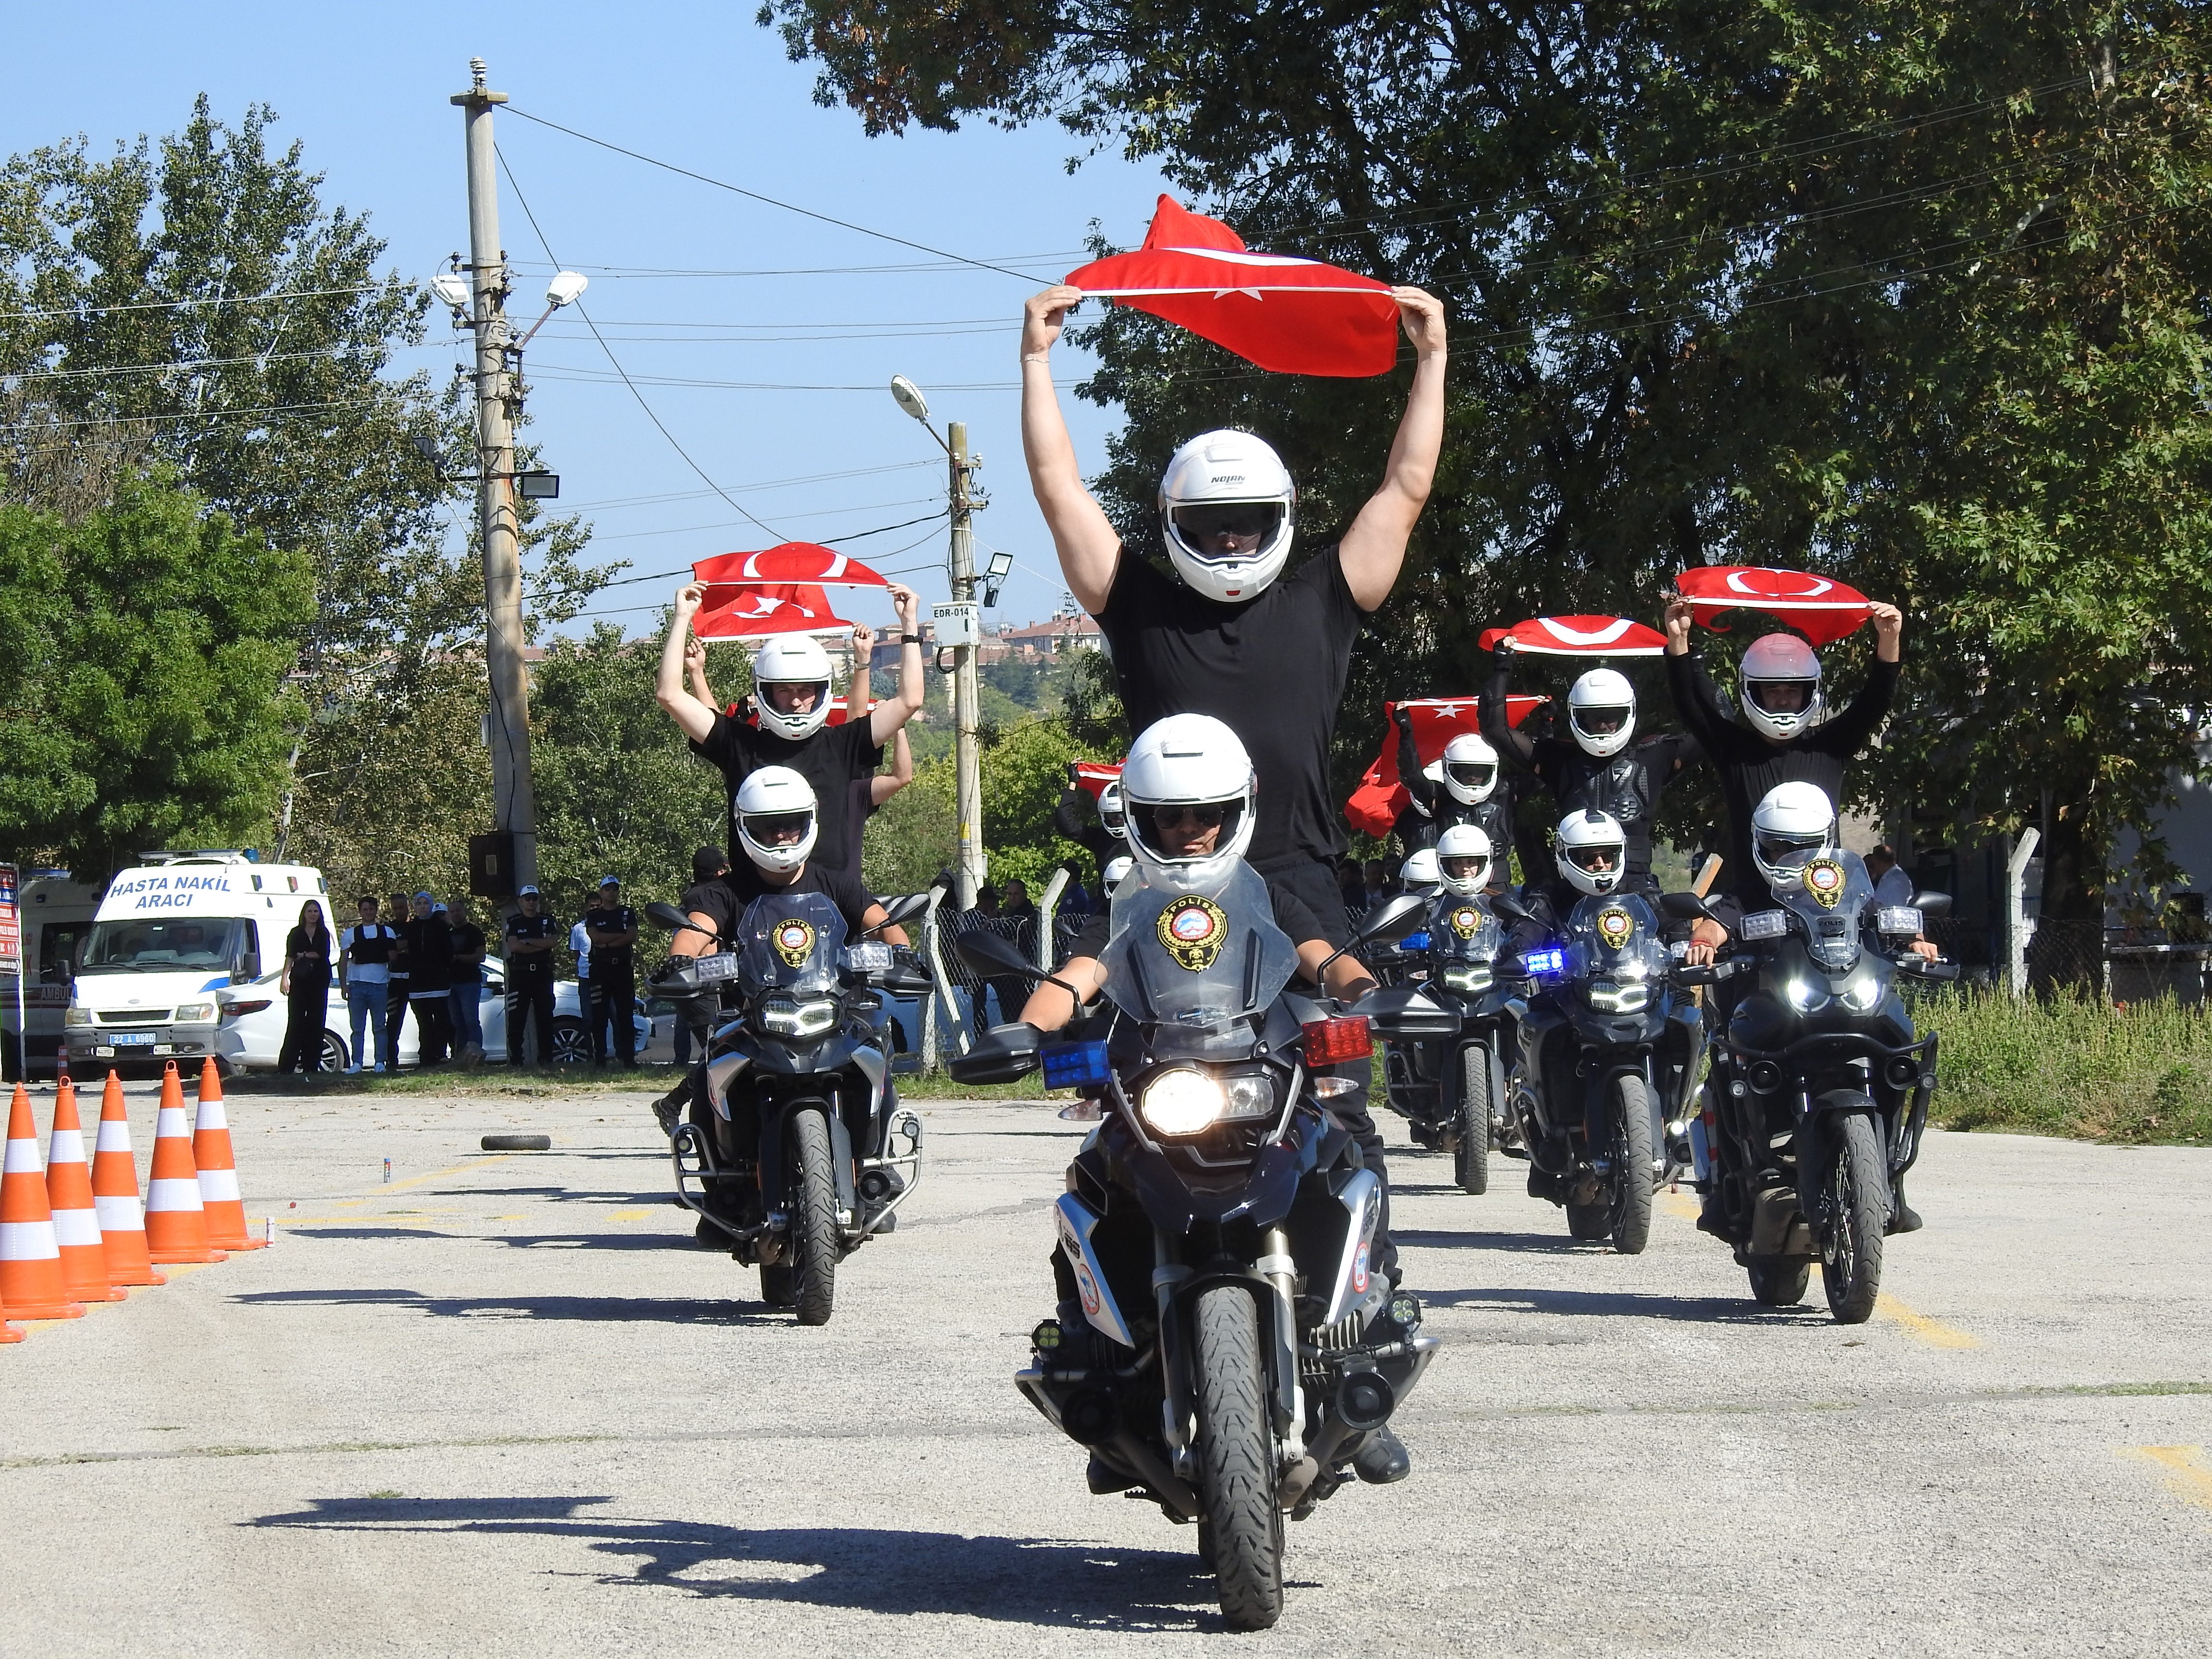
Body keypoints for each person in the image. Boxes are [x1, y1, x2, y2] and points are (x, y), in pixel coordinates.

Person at [1007, 714, 1407, 1486]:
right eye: (1169, 816)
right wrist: (1026, 1031)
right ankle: (1100, 1368)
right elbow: (1075, 978)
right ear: (1141, 819)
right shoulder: (1126, 909)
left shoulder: (1272, 899)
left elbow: (1328, 962)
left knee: (1347, 1166)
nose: (1189, 831)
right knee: (1089, 1191)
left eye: (1206, 815)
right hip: (1160, 1090)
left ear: (1238, 812)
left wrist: (1367, 998)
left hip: (1264, 1081)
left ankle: (1371, 1369)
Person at [1021, 279, 1446, 940]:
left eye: (1246, 523)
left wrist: (1431, 359)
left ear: (1280, 516)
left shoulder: (1326, 597)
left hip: (1301, 879)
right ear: (1172, 522)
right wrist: (1036, 362)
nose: (1228, 540)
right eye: (1209, 524)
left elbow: (1408, 485)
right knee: (1142, 1047)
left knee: (1342, 1039)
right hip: (1171, 880)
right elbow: (1058, 490)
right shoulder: (1138, 605)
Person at [653, 767, 915, 1153]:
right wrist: (680, 960)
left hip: (832, 1010)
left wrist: (902, 952)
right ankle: (719, 1182)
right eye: (768, 826)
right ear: (746, 827)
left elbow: (883, 924)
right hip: (753, 1017)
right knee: (715, 1065)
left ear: (808, 821)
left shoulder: (837, 884)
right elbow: (696, 930)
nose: (781, 835)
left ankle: (879, 1159)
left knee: (873, 1056)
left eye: (791, 824)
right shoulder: (724, 892)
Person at [656, 582, 927, 903]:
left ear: (822, 690)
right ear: (765, 692)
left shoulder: (841, 744)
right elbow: (669, 694)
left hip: (832, 908)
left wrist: (909, 624)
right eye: (784, 690)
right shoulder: (739, 744)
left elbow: (910, 700)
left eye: (805, 690)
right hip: (750, 908)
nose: (796, 701)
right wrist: (681, 618)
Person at [1661, 595, 1906, 916]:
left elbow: (1874, 702)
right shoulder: (1734, 751)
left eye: (1792, 691)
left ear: (1809, 692)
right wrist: (1678, 640)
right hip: (1751, 911)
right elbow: (1689, 706)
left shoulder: (1829, 746)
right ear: (1753, 692)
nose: (1782, 701)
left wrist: (1890, 640)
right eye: (1772, 691)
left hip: (1826, 910)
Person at [1482, 649, 1699, 890]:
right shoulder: (1557, 759)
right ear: (1576, 716)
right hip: (1574, 888)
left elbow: (1714, 729)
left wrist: (1689, 663)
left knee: (1677, 929)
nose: (1603, 725)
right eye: (1593, 718)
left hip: (1636, 888)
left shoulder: (1656, 756)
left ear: (1629, 713)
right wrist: (1502, 666)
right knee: (1533, 923)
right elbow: (1495, 729)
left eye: (1612, 717)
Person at [1394, 714, 1515, 884]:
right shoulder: (1441, 796)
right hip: (1452, 881)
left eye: (1479, 772)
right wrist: (1406, 735)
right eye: (1466, 772)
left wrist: (1546, 727)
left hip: (1496, 883)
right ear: (1451, 769)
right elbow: (1411, 777)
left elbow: (1540, 774)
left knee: (1513, 911)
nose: (1473, 778)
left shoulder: (1504, 791)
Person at [673, 847, 732, 1067]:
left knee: (721, 1048)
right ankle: (677, 1098)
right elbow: (699, 936)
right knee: (719, 1050)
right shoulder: (706, 898)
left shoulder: (700, 895)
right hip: (706, 981)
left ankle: (675, 1098)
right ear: (720, 872)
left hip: (712, 982)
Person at [338, 895, 398, 1074]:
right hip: (357, 985)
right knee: (357, 1028)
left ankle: (380, 1062)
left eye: (372, 909)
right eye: (365, 909)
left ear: (376, 910)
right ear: (360, 911)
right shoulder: (350, 934)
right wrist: (344, 985)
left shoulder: (387, 932)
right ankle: (357, 1063)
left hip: (380, 985)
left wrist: (368, 956)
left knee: (380, 1026)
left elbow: (393, 956)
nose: (369, 912)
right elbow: (343, 961)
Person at [583, 876, 639, 1068]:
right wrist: (617, 937)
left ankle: (628, 1058)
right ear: (601, 892)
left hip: (622, 968)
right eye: (607, 889)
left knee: (625, 1015)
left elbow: (631, 936)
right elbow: (595, 937)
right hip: (601, 968)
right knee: (599, 1016)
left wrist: (607, 942)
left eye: (615, 888)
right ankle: (600, 1058)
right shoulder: (594, 915)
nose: (611, 892)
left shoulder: (627, 913)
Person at [501, 886, 558, 1066]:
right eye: (528, 899)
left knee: (545, 1018)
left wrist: (529, 941)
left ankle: (546, 1058)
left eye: (534, 898)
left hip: (542, 974)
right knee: (517, 1018)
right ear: (521, 901)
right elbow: (515, 947)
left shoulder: (547, 920)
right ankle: (516, 1059)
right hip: (521, 975)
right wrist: (540, 945)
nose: (531, 902)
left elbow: (552, 942)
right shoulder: (514, 921)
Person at [276, 901, 334, 1076]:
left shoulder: (323, 933)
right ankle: (287, 1066)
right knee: (296, 1022)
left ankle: (311, 1065)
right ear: (304, 914)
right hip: (300, 981)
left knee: (316, 1023)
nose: (313, 914)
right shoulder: (295, 933)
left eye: (316, 911)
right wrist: (284, 978)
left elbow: (322, 953)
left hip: (319, 981)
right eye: (310, 911)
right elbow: (290, 956)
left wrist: (304, 955)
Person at [401, 892, 454, 1066]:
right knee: (424, 1023)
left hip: (438, 982)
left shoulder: (441, 926)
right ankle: (426, 1058)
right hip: (417, 983)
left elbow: (448, 952)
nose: (423, 906)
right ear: (415, 907)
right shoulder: (412, 927)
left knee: (441, 1020)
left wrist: (441, 969)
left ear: (431, 905)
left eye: (426, 903)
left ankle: (440, 1054)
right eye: (419, 903)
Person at [1051, 771, 1126, 892]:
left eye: (1122, 815)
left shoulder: (1145, 837)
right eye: (1113, 816)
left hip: (1142, 906)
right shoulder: (1099, 838)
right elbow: (1066, 825)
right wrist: (1072, 784)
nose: (1118, 820)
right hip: (1106, 906)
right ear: (1103, 815)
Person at [445, 896, 487, 1062]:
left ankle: (477, 1055)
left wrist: (458, 958)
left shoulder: (474, 932)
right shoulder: (447, 934)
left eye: (458, 910)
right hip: (451, 983)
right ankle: (461, 1057)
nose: (455, 914)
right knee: (457, 1022)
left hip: (470, 982)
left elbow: (481, 957)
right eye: (452, 911)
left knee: (471, 1020)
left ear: (465, 912)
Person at [384, 890, 412, 1067]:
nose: (399, 912)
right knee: (393, 1024)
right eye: (395, 909)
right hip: (395, 981)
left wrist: (400, 947)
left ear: (408, 906)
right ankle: (391, 1062)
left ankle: (429, 1059)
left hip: (416, 980)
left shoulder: (417, 926)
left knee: (425, 1021)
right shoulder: (389, 929)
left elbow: (418, 949)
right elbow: (391, 953)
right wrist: (404, 947)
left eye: (402, 908)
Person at [1865, 842, 1914, 907]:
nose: (1875, 867)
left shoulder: (1895, 882)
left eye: (1874, 863)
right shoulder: (1889, 878)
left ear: (1879, 862)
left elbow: (1896, 910)